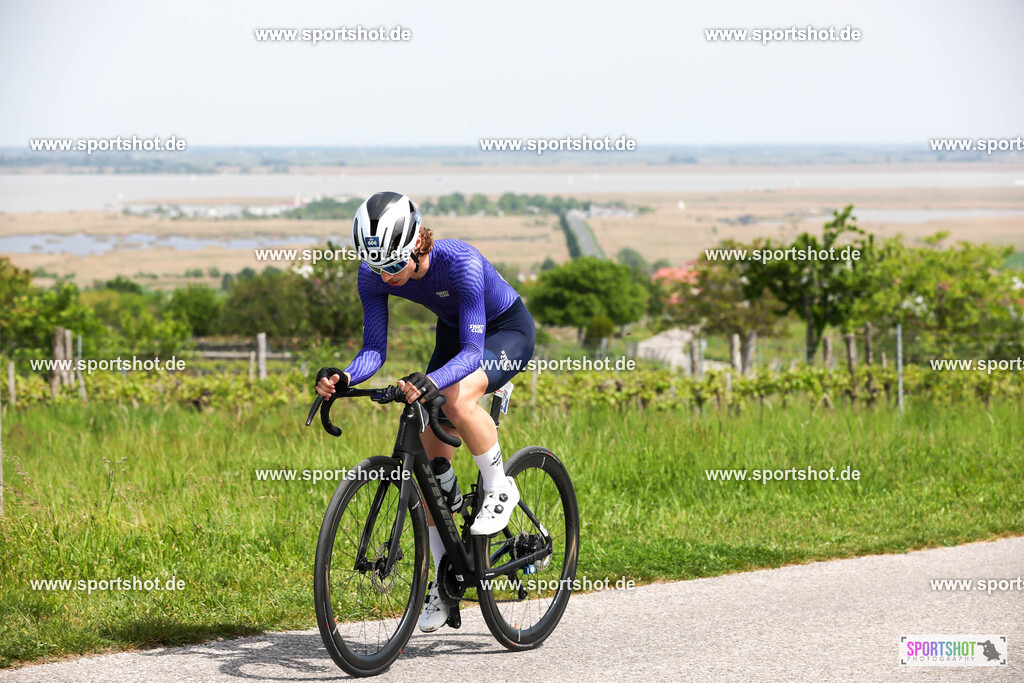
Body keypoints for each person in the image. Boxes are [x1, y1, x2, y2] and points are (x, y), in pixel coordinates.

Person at [314, 191, 536, 632]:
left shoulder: (462, 262)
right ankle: (443, 579)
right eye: (378, 267)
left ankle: (499, 486)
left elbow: (474, 351)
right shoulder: (374, 272)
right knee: (431, 472)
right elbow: (373, 349)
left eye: (395, 266)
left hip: (503, 332)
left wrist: (434, 381)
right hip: (454, 335)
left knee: (455, 398)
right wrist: (345, 377)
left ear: (419, 245)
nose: (386, 276)